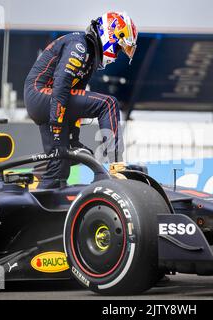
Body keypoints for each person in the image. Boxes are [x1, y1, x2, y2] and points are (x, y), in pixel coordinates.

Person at [24, 12, 137, 189]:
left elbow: (74, 95)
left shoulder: (89, 55)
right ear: (109, 35)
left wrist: (73, 139)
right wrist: (57, 132)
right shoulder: (80, 46)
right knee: (108, 104)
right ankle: (117, 166)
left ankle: (41, 202)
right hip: (42, 95)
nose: (116, 55)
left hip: (45, 101)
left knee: (59, 170)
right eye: (118, 48)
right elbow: (61, 87)